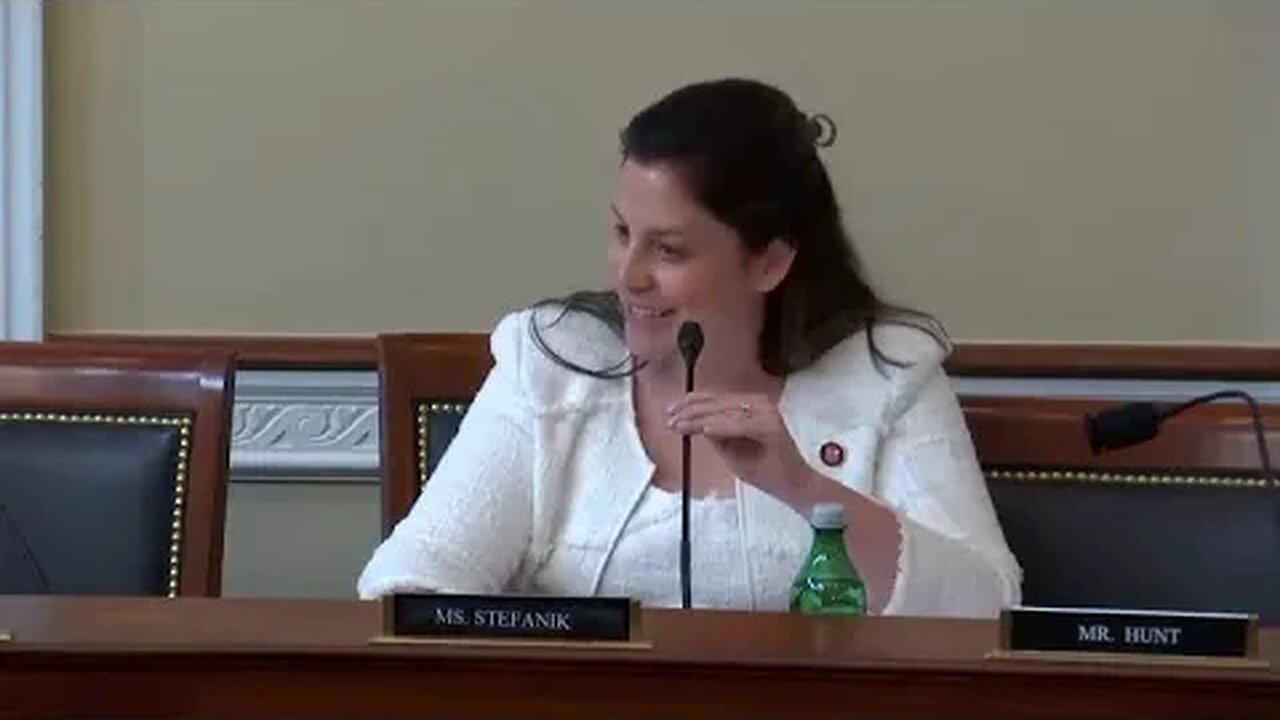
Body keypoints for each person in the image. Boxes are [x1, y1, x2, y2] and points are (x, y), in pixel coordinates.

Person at [357, 78, 1021, 616]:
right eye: (623, 233)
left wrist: (803, 484)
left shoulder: (884, 378)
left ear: (769, 262)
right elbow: (412, 580)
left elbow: (987, 608)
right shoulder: (555, 364)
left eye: (669, 250)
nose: (629, 273)